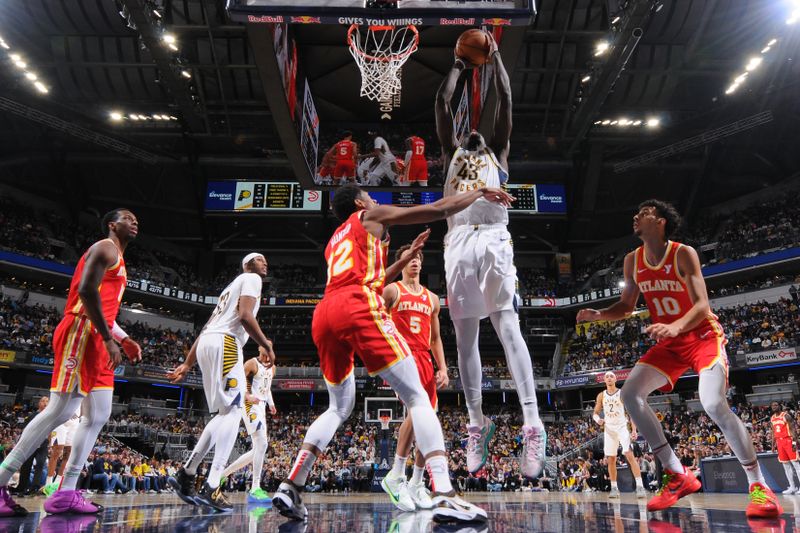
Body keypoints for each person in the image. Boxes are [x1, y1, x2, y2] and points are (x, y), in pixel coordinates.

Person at [272, 183, 513, 524]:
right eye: (369, 196)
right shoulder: (368, 215)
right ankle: (443, 493)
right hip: (356, 307)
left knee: (339, 407)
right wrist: (479, 193)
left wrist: (400, 259)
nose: (374, 200)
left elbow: (369, 279)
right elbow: (438, 209)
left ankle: (292, 484)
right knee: (419, 398)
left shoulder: (334, 242)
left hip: (325, 313)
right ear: (359, 202)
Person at [576, 199, 782, 518]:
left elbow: (701, 304)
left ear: (659, 222)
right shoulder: (633, 260)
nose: (636, 216)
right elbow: (628, 306)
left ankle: (760, 487)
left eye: (643, 213)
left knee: (713, 403)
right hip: (670, 342)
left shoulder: (682, 253)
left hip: (701, 334)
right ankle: (677, 473)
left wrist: (675, 326)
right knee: (630, 394)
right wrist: (599, 314)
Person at [435, 34, 546, 478]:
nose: (476, 131)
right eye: (470, 131)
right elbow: (443, 104)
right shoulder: (451, 153)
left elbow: (504, 96)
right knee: (465, 336)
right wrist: (460, 66)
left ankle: (533, 423)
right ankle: (477, 423)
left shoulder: (497, 151)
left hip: (494, 238)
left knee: (507, 327)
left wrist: (495, 53)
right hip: (457, 241)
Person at [0, 208, 141, 517]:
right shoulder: (105, 247)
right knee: (61, 409)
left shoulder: (118, 257)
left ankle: (66, 492)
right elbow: (85, 292)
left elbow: (104, 306)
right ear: (111, 224)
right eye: (126, 217)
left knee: (99, 414)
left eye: (135, 219)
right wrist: (108, 339)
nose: (134, 221)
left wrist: (123, 337)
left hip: (98, 334)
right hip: (81, 330)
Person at [168, 253, 274, 512]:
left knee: (223, 413)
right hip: (226, 343)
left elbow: (205, 328)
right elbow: (246, 316)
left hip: (207, 343)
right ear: (247, 265)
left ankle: (187, 473)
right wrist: (265, 344)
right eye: (260, 260)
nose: (265, 263)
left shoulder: (228, 289)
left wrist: (188, 363)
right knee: (235, 409)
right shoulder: (250, 278)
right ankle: (213, 484)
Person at [380, 243, 448, 511]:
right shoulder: (392, 290)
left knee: (429, 418)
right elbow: (375, 319)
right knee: (417, 412)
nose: (415, 261)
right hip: (402, 357)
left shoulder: (432, 298)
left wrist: (442, 367)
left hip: (425, 359)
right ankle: (396, 474)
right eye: (410, 257)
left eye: (419, 257)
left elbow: (436, 338)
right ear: (402, 262)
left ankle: (417, 482)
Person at [219, 346, 277, 504]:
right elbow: (239, 379)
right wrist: (246, 395)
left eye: (270, 347)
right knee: (262, 444)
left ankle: (222, 475)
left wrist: (271, 403)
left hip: (262, 406)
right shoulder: (252, 363)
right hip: (249, 404)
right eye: (265, 346)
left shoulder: (272, 368)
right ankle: (255, 488)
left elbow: (267, 388)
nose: (267, 350)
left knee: (257, 449)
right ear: (259, 348)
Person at [592, 371, 646, 498]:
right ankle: (614, 488)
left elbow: (632, 412)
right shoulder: (601, 395)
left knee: (629, 455)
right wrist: (597, 420)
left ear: (615, 379)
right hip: (609, 429)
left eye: (611, 376)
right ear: (604, 380)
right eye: (607, 377)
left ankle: (640, 487)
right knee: (611, 459)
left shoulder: (622, 393)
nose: (609, 378)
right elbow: (595, 412)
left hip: (622, 427)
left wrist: (634, 430)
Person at [41, 406, 80, 496]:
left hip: (75, 421)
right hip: (61, 421)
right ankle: (48, 485)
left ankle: (57, 484)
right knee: (56, 453)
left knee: (68, 454)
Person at [15, 397, 50, 496]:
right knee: (26, 466)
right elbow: (25, 430)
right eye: (43, 401)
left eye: (47, 401)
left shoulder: (50, 416)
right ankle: (21, 487)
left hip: (43, 445)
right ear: (39, 403)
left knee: (40, 464)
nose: (45, 403)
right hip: (30, 444)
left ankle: (34, 488)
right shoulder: (32, 415)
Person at [770, 401, 800, 494]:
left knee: (796, 464)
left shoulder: (786, 416)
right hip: (780, 443)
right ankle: (792, 487)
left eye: (776, 405)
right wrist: (773, 445)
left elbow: (793, 430)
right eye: (772, 406)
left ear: (779, 406)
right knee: (786, 466)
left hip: (789, 441)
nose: (774, 407)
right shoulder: (772, 418)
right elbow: (773, 433)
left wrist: (794, 444)